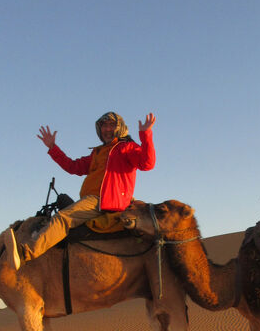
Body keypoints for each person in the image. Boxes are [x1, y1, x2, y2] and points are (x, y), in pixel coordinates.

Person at [8, 111, 156, 267]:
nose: (107, 129)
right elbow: (73, 167)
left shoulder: (126, 148)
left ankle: (27, 252)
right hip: (92, 199)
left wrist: (146, 134)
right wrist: (52, 147)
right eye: (104, 126)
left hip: (102, 200)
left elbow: (147, 163)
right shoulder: (97, 152)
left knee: (63, 218)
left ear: (120, 127)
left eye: (111, 125)